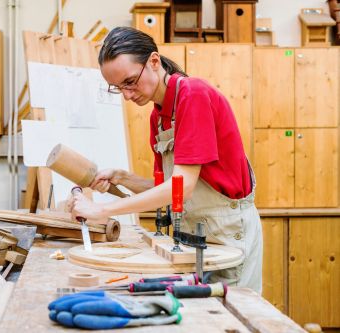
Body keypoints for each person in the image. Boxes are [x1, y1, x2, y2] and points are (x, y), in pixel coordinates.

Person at [69, 27, 262, 293]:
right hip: (193, 238)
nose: (126, 94)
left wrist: (101, 210)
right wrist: (122, 178)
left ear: (154, 62)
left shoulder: (193, 95)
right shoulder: (159, 117)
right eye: (117, 88)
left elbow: (181, 187)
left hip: (226, 233)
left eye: (129, 81)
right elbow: (171, 191)